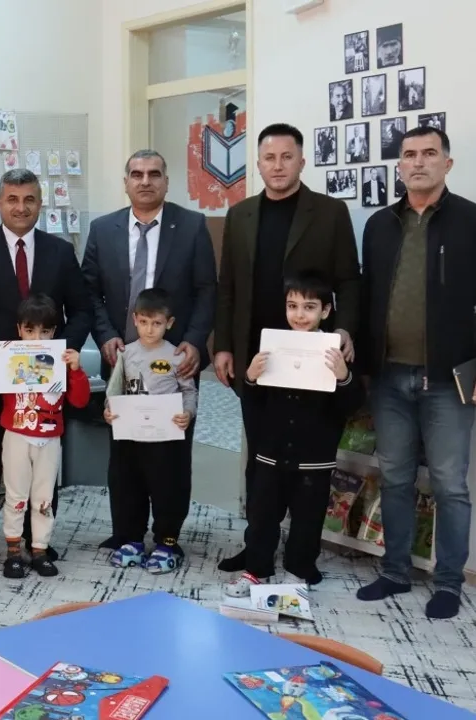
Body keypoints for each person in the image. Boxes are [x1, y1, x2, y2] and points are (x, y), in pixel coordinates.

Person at [356, 126, 476, 619]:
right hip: (389, 378)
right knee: (394, 478)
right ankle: (395, 572)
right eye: (409, 155)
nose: (418, 162)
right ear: (399, 165)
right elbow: (368, 297)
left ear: (447, 163)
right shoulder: (379, 225)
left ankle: (448, 583)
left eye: (429, 153)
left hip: (449, 380)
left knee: (449, 484)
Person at [213, 123, 360, 574]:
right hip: (259, 360)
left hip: (313, 359)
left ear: (301, 161)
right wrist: (224, 346)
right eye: (269, 158)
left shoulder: (330, 212)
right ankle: (256, 547)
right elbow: (228, 286)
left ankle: (301, 555)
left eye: (286, 157)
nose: (278, 166)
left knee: (308, 466)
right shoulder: (241, 214)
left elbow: (349, 279)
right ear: (257, 164)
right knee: (260, 461)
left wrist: (346, 329)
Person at [0, 168, 93, 563]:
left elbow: (82, 310)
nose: (21, 207)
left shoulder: (61, 251)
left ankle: (36, 537)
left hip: (45, 384)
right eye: (12, 199)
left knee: (41, 461)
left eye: (29, 199)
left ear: (40, 204)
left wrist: (63, 354)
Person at [80, 149, 217, 549]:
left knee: (171, 456)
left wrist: (194, 341)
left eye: (154, 174)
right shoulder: (102, 229)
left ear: (166, 181)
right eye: (137, 174)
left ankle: (168, 535)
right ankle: (127, 533)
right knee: (125, 455)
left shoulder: (191, 225)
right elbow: (89, 292)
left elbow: (207, 290)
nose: (145, 181)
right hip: (123, 361)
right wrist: (105, 336)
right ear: (126, 182)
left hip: (175, 364)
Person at [225, 274, 366, 598]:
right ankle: (256, 570)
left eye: (309, 307)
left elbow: (351, 406)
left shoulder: (335, 354)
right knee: (262, 515)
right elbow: (255, 402)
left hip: (314, 457)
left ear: (326, 311)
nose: (300, 314)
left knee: (307, 519)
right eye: (292, 306)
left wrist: (343, 377)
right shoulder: (274, 347)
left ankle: (298, 572)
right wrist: (251, 377)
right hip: (270, 452)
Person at [0, 294, 91, 579]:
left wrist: (76, 371)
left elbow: (80, 401)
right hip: (16, 436)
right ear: (19, 329)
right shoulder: (9, 359)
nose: (37, 337)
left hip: (49, 439)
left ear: (54, 331)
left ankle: (39, 550)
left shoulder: (61, 360)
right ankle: (13, 551)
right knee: (15, 496)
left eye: (45, 331)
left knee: (44, 497)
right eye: (30, 330)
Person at [102, 289, 198, 574]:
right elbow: (114, 389)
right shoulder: (126, 353)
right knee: (129, 487)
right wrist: (108, 410)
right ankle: (132, 540)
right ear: (135, 319)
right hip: (130, 437)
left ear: (169, 323)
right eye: (143, 322)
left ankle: (166, 543)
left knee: (167, 489)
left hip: (164, 439)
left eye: (156, 323)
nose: (149, 329)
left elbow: (189, 392)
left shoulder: (177, 356)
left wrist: (187, 413)